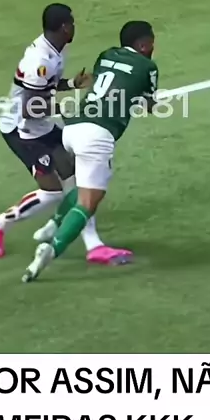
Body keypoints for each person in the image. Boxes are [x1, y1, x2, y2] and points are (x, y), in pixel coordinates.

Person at [0, 3, 133, 266]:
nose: (74, 27)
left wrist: (72, 84)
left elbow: (47, 86)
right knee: (52, 192)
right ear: (64, 27)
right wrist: (66, 108)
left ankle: (93, 245)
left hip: (41, 127)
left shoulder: (56, 49)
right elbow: (30, 109)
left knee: (78, 180)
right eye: (72, 23)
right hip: (22, 131)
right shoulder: (40, 60)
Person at [22, 20, 158, 282]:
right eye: (151, 44)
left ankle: (53, 224)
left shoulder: (106, 55)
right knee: (88, 202)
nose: (153, 49)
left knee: (89, 182)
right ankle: (51, 250)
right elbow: (149, 104)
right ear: (143, 45)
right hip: (97, 134)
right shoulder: (147, 66)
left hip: (73, 128)